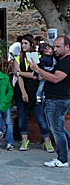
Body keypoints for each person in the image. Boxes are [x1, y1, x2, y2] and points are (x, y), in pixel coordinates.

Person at [30, 36, 70, 168]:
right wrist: (43, 75)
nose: (55, 49)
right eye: (54, 46)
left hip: (58, 100)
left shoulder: (67, 61)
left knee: (57, 129)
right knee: (57, 127)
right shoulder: (61, 61)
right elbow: (52, 75)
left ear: (67, 47)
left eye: (58, 46)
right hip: (54, 98)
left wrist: (37, 69)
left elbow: (56, 78)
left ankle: (62, 159)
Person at [12, 35, 53, 152]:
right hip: (21, 89)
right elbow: (18, 76)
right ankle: (24, 140)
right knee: (22, 116)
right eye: (22, 43)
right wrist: (23, 91)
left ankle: (47, 141)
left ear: (31, 45)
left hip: (35, 90)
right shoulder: (17, 58)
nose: (23, 45)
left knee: (40, 116)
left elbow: (34, 75)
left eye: (26, 43)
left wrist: (20, 73)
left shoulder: (37, 57)